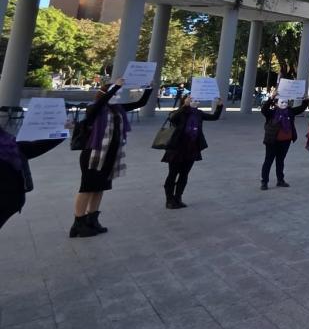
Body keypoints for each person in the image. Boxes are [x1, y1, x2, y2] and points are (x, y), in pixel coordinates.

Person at [71, 78, 151, 238]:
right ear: (105, 93)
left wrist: (148, 88)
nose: (118, 97)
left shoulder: (118, 110)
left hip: (109, 155)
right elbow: (101, 103)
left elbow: (140, 103)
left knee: (100, 188)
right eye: (116, 93)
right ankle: (78, 223)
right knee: (86, 188)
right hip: (93, 154)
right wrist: (114, 87)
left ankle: (92, 220)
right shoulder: (93, 108)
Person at [160, 94, 224, 208]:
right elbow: (173, 118)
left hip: (191, 148)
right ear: (184, 100)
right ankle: (169, 200)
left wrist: (219, 106)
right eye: (189, 98)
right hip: (177, 149)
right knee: (172, 174)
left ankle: (178, 197)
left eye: (194, 98)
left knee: (184, 175)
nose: (192, 100)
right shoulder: (178, 111)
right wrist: (185, 106)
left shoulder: (198, 113)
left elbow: (214, 117)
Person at [1, 125, 64, 230]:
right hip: (11, 200)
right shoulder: (9, 145)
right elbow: (32, 147)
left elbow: (33, 147)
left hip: (9, 200)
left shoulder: (10, 146)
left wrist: (62, 132)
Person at [260, 89, 309, 190]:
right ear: (277, 103)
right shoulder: (272, 113)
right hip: (272, 141)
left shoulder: (290, 112)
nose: (284, 104)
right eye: (282, 102)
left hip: (285, 141)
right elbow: (264, 110)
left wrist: (306, 100)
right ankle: (264, 182)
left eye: (286, 102)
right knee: (268, 161)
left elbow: (301, 108)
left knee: (280, 161)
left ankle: (280, 180)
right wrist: (271, 98)